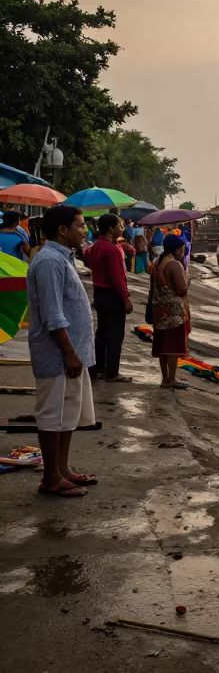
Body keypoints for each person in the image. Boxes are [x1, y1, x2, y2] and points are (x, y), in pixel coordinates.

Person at [26, 205, 97, 498]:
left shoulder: (63, 259)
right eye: (80, 226)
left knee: (67, 415)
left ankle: (62, 468)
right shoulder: (49, 262)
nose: (85, 231)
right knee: (53, 415)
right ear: (62, 230)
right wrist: (68, 351)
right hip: (57, 355)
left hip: (72, 353)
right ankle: (51, 477)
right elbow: (53, 314)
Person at [82, 214, 134, 383]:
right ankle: (112, 372)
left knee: (102, 333)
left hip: (99, 293)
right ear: (111, 228)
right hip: (112, 294)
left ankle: (100, 369)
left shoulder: (95, 247)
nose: (122, 227)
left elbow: (90, 264)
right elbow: (117, 278)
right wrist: (126, 299)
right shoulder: (112, 249)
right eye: (119, 224)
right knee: (115, 335)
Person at [149, 237, 191, 389]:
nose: (183, 251)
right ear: (176, 249)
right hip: (173, 310)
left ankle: (165, 378)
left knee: (162, 347)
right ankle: (172, 379)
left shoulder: (156, 265)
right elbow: (181, 289)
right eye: (182, 248)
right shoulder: (174, 265)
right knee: (173, 347)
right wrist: (187, 282)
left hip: (159, 310)